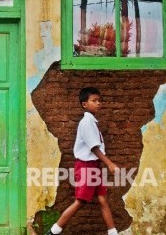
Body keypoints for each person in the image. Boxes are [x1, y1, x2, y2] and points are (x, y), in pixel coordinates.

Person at [47, 87, 119, 235]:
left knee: (102, 199)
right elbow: (94, 147)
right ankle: (53, 232)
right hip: (86, 167)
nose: (98, 103)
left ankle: (113, 233)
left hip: (94, 166)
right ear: (84, 104)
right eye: (94, 100)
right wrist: (110, 163)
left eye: (99, 100)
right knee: (80, 201)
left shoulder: (92, 121)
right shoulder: (86, 122)